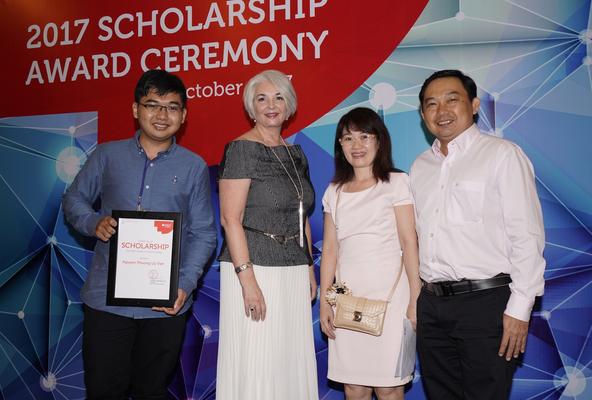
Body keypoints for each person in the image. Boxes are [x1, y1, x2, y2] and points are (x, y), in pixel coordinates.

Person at [62, 69, 216, 399]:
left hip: (166, 304)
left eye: (172, 107)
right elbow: (73, 199)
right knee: (104, 391)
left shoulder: (194, 166)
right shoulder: (106, 155)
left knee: (152, 391)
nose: (162, 115)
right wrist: (93, 223)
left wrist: (184, 285)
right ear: (136, 110)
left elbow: (203, 233)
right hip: (106, 302)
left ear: (183, 115)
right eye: (152, 104)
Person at [410, 69, 546, 400]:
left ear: (473, 105)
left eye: (451, 100)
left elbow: (526, 236)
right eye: (431, 104)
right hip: (432, 306)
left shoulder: (502, 155)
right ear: (423, 114)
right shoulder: (419, 167)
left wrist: (519, 308)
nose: (441, 111)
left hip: (487, 305)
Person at [215, 69, 318, 400]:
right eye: (261, 98)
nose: (271, 105)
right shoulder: (241, 149)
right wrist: (248, 281)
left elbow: (301, 212)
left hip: (292, 270)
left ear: (289, 104)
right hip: (254, 269)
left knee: (288, 361)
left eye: (278, 97)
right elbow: (231, 219)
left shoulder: (295, 154)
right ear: (251, 107)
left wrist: (309, 267)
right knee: (258, 362)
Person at [319, 107, 421, 400]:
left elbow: (409, 241)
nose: (357, 145)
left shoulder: (396, 182)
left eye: (365, 136)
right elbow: (329, 251)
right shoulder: (334, 191)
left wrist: (415, 297)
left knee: (389, 387)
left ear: (379, 141)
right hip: (347, 298)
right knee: (354, 387)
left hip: (391, 297)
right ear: (340, 145)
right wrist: (326, 303)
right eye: (348, 138)